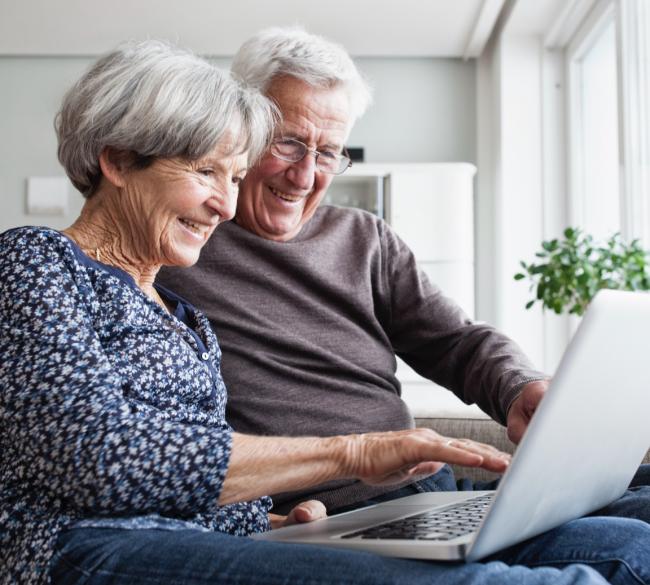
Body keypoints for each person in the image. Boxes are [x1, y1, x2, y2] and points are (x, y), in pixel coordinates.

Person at [3, 39, 620, 585]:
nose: (223, 203)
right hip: (77, 547)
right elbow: (99, 456)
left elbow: (453, 339)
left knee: (631, 547)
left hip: (253, 524)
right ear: (116, 161)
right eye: (205, 171)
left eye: (233, 172)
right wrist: (353, 454)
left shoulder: (182, 316)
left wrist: (272, 521)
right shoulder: (36, 262)